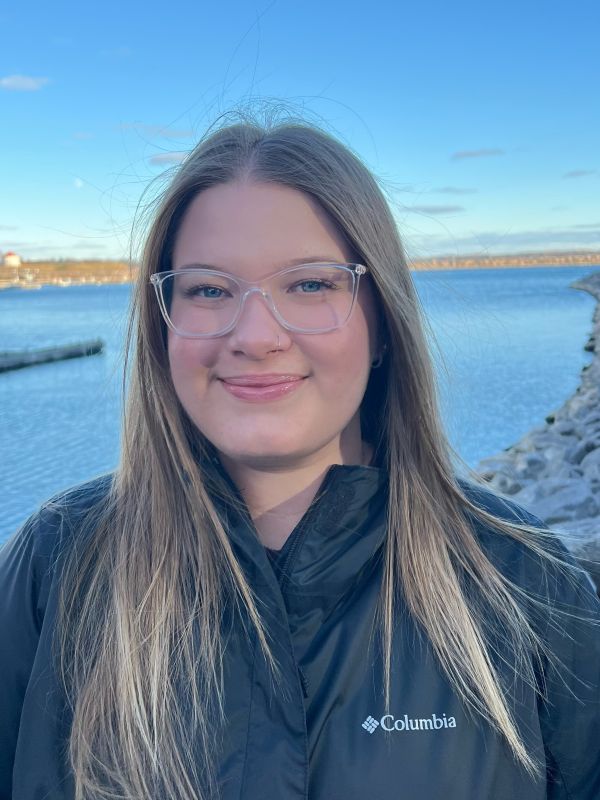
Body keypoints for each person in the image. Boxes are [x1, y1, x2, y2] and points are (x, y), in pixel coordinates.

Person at [1, 117, 599, 800]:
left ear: (382, 322)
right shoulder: (60, 567)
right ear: (161, 326)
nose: (256, 336)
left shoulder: (523, 582)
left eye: (311, 285)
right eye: (207, 289)